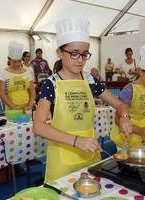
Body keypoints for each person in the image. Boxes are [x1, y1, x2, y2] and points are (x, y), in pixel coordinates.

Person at [33, 17, 128, 182]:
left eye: (84, 54)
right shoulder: (52, 83)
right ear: (59, 53)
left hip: (90, 153)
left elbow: (119, 104)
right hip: (62, 160)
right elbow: (39, 126)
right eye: (74, 53)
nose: (80, 60)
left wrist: (125, 117)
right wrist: (76, 141)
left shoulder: (89, 80)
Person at [0, 41, 35, 113]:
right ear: (9, 60)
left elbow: (32, 91)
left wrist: (30, 105)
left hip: (27, 109)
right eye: (14, 61)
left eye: (19, 61)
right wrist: (14, 107)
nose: (17, 64)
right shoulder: (3, 74)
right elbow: (2, 93)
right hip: (12, 110)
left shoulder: (27, 72)